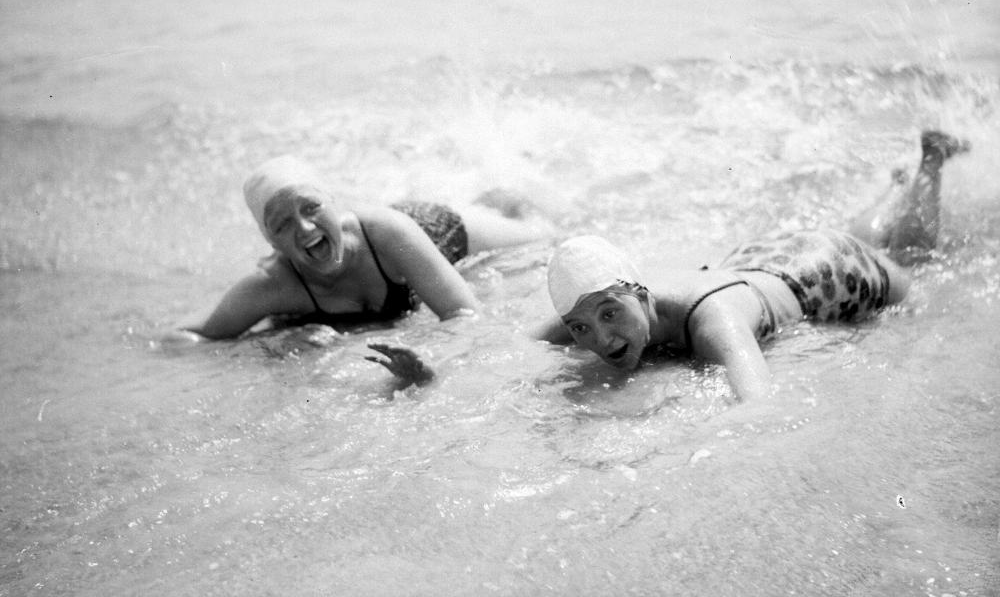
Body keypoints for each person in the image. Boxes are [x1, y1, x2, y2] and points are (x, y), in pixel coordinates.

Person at [533, 129, 970, 401]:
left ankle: (931, 160)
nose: (601, 338)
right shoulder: (597, 298)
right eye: (580, 328)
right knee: (862, 238)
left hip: (831, 274)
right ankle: (894, 190)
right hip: (762, 261)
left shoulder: (714, 322)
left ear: (640, 293)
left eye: (610, 315)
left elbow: (757, 402)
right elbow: (525, 344)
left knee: (913, 262)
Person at [164, 155, 552, 351]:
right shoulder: (273, 284)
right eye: (282, 224)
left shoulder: (389, 231)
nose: (305, 228)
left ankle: (502, 194)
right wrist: (279, 343)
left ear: (334, 204)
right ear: (272, 244)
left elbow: (464, 312)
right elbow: (182, 338)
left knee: (542, 234)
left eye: (311, 207)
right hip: (394, 253)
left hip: (429, 231)